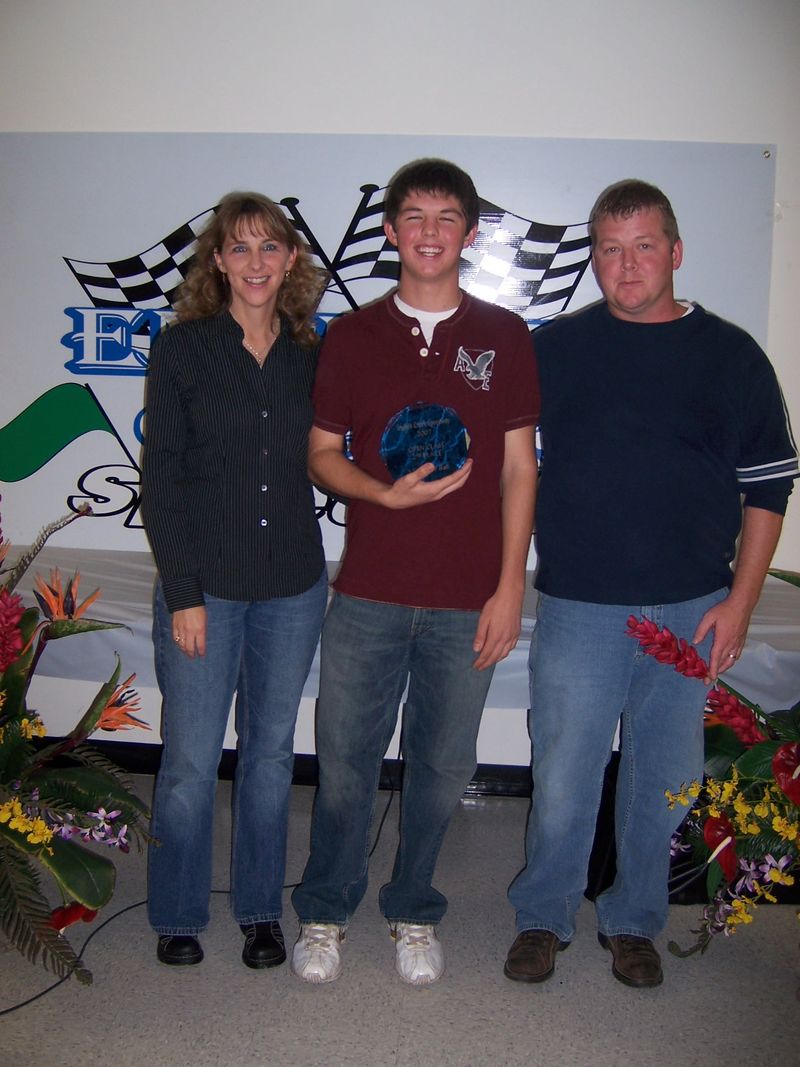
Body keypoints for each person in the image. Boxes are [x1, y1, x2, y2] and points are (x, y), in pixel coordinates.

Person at [504, 179, 798, 988]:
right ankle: (543, 915)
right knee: (564, 773)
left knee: (663, 781)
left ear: (674, 251)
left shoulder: (732, 355)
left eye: (642, 246)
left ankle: (633, 921)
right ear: (593, 257)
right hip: (578, 606)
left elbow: (769, 487)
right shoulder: (554, 350)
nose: (625, 265)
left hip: (692, 609)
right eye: (608, 248)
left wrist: (739, 604)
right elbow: (509, 467)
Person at [290, 158, 539, 985]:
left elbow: (518, 471)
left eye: (447, 218)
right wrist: (382, 498)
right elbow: (323, 454)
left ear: (470, 235)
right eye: (414, 217)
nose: (430, 232)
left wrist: (509, 588)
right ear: (391, 231)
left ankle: (412, 908)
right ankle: (326, 907)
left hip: (469, 600)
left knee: (440, 770)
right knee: (344, 766)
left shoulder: (505, 336)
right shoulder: (351, 337)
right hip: (366, 595)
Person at [141, 192, 328, 968]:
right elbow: (162, 481)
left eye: (269, 247)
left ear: (291, 260)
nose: (255, 262)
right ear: (217, 261)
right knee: (189, 759)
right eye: (239, 247)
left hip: (291, 583)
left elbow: (341, 455)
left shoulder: (317, 356)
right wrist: (182, 591)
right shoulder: (182, 350)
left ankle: (259, 911)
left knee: (270, 754)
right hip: (206, 586)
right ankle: (179, 914)